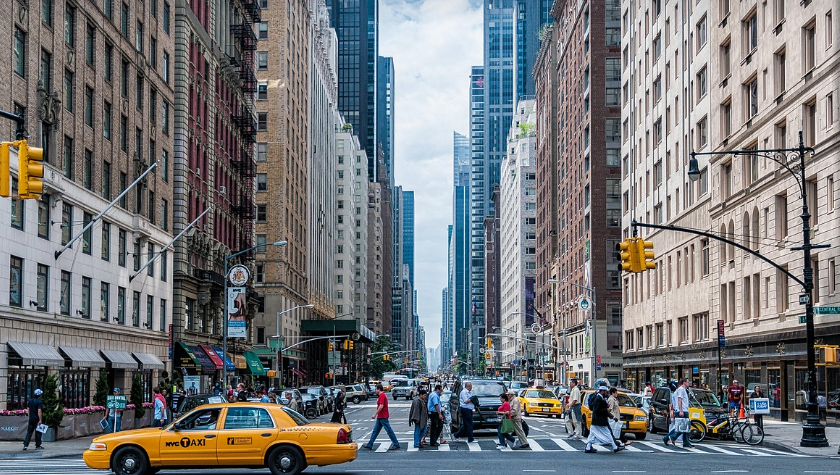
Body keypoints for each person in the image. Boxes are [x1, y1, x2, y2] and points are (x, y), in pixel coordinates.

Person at [362, 383, 400, 450]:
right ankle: (370, 444)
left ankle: (396, 444)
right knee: (375, 431)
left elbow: (381, 406)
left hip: (383, 416)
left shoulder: (382, 395)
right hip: (381, 416)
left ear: (379, 389)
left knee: (388, 431)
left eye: (376, 389)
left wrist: (375, 414)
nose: (375, 391)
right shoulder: (381, 395)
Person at [584, 386, 621, 453]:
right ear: (602, 391)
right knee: (608, 433)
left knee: (592, 435)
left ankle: (588, 447)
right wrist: (606, 410)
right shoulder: (598, 398)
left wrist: (612, 416)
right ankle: (615, 447)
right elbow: (597, 410)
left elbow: (599, 410)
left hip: (596, 420)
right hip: (600, 421)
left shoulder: (600, 398)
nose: (607, 393)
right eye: (606, 392)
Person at [673, 378, 693, 448]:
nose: (689, 383)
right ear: (684, 383)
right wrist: (681, 410)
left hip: (684, 410)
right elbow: (679, 400)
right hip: (682, 410)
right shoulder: (681, 389)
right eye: (688, 382)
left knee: (685, 427)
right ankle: (672, 437)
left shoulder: (683, 390)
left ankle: (686, 442)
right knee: (683, 427)